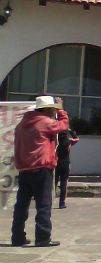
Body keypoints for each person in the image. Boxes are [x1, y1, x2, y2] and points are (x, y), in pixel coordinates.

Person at [10, 96, 68, 247]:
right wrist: (61, 110)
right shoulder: (45, 122)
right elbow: (63, 126)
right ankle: (42, 238)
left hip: (24, 169)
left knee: (21, 205)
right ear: (48, 109)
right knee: (43, 204)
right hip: (41, 168)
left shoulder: (21, 124)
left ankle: (17, 237)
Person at [55, 129, 79, 209]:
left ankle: (48, 201)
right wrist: (70, 131)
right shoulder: (69, 141)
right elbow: (77, 139)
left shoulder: (55, 142)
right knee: (64, 184)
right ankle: (61, 203)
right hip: (65, 164)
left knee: (53, 183)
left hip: (55, 164)